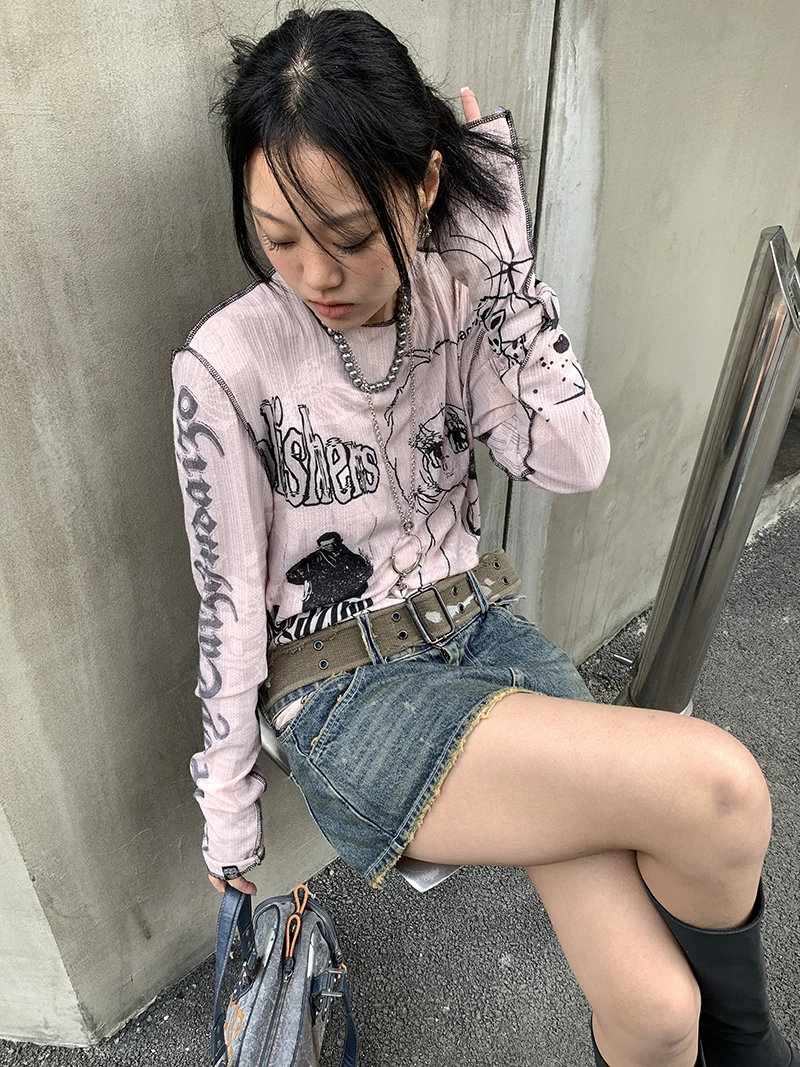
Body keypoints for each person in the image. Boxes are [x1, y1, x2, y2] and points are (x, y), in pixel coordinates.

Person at [170, 6, 797, 1066]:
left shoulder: (462, 298)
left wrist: (506, 277)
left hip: (481, 635)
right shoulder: (227, 366)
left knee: (654, 1008)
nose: (316, 275)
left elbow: (575, 459)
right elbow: (229, 607)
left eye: (350, 237)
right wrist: (228, 815)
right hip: (348, 693)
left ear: (424, 186)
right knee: (721, 786)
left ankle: (739, 1047)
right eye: (279, 238)